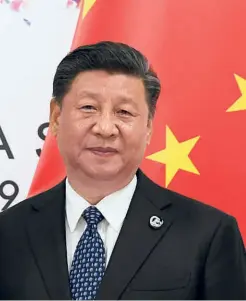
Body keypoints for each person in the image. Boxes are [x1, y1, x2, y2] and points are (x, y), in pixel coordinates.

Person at [0, 41, 245, 300]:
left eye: (124, 112)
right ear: (56, 117)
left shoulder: (209, 234)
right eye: (88, 108)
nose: (105, 128)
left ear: (148, 126)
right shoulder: (9, 233)